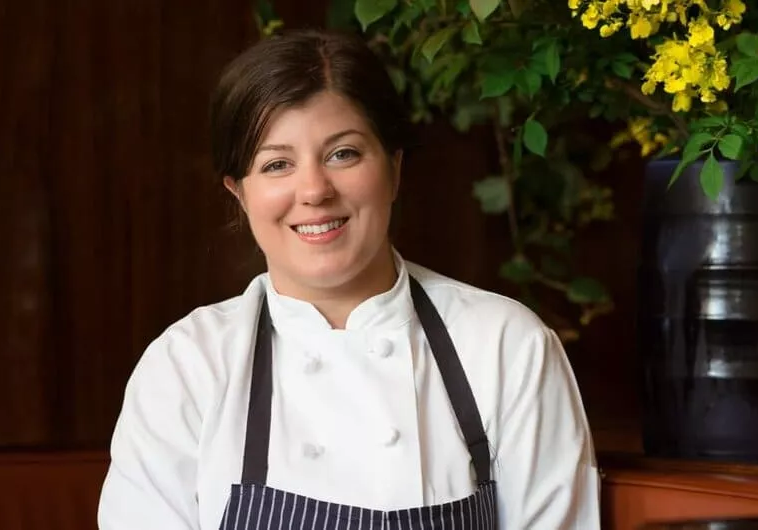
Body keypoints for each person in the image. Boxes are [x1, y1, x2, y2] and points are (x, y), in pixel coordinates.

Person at [97, 28, 600, 530]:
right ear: (240, 193)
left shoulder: (505, 345)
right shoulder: (187, 367)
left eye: (344, 154)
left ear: (395, 169)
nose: (314, 190)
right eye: (277, 164)